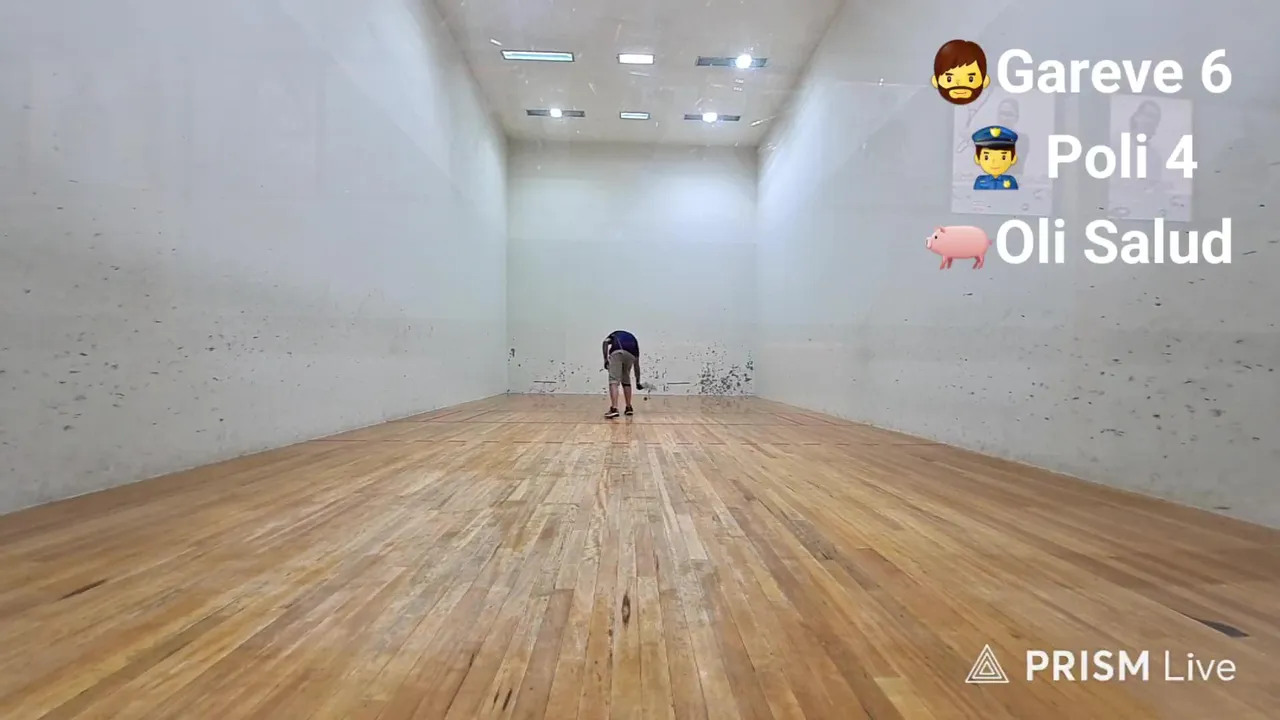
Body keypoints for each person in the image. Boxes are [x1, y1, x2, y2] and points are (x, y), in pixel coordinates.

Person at [602, 330, 642, 418]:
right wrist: (638, 382)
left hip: (617, 352)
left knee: (613, 380)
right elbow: (636, 365)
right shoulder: (633, 340)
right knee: (626, 380)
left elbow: (605, 343)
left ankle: (614, 408)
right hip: (630, 355)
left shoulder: (615, 334)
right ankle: (628, 407)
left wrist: (605, 359)